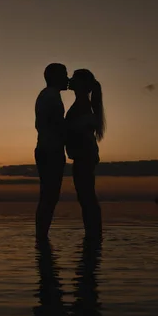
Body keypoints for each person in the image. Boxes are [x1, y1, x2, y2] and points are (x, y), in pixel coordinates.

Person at [65, 69, 105, 239]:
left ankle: (93, 235)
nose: (70, 80)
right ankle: (93, 235)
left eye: (74, 78)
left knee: (86, 197)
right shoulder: (83, 104)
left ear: (81, 84)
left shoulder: (82, 105)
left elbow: (78, 129)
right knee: (86, 196)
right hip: (84, 155)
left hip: (84, 155)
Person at [34, 63, 69, 240]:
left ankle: (41, 239)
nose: (68, 79)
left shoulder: (46, 95)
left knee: (47, 196)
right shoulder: (51, 96)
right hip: (51, 150)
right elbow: (57, 125)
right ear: (55, 77)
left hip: (45, 149)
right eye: (65, 75)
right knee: (49, 196)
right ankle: (41, 238)